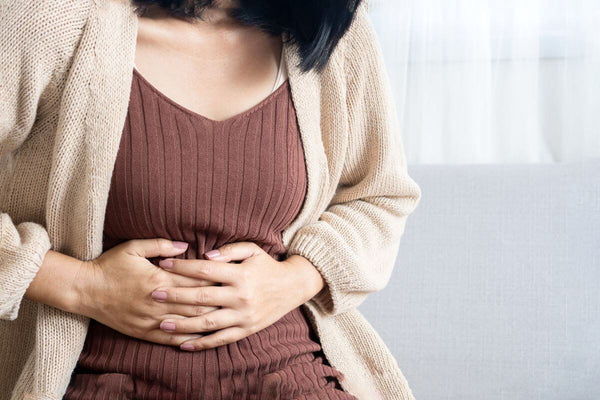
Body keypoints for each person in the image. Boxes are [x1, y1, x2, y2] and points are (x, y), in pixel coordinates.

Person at [0, 0, 422, 399]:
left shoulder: (330, 31)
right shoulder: (51, 19)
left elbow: (379, 195)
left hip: (291, 371)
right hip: (96, 374)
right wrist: (81, 287)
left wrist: (296, 279)